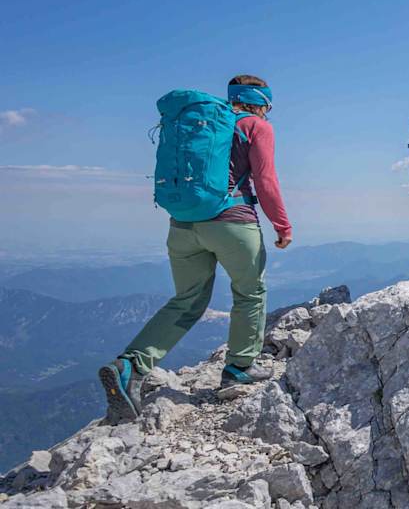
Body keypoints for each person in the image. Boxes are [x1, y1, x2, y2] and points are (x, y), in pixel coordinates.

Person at [100, 75, 293, 424]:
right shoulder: (256, 127)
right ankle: (238, 369)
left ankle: (131, 365)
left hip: (182, 226)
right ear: (263, 102)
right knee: (250, 293)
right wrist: (282, 224)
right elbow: (265, 180)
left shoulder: (209, 124)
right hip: (232, 222)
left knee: (187, 299)